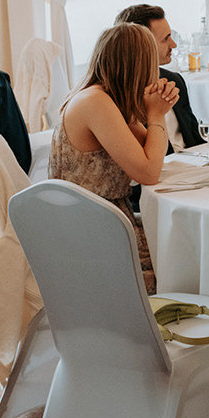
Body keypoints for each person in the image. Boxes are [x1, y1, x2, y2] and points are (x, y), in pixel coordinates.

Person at [50, 22, 178, 293]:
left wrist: (155, 110)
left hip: (104, 220)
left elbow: (155, 152)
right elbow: (149, 172)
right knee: (178, 250)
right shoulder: (95, 103)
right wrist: (157, 114)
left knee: (177, 238)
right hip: (93, 233)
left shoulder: (108, 99)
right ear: (139, 66)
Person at [114, 4, 204, 153]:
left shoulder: (174, 80)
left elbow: (196, 140)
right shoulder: (121, 96)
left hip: (193, 163)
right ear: (141, 45)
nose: (173, 44)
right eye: (165, 39)